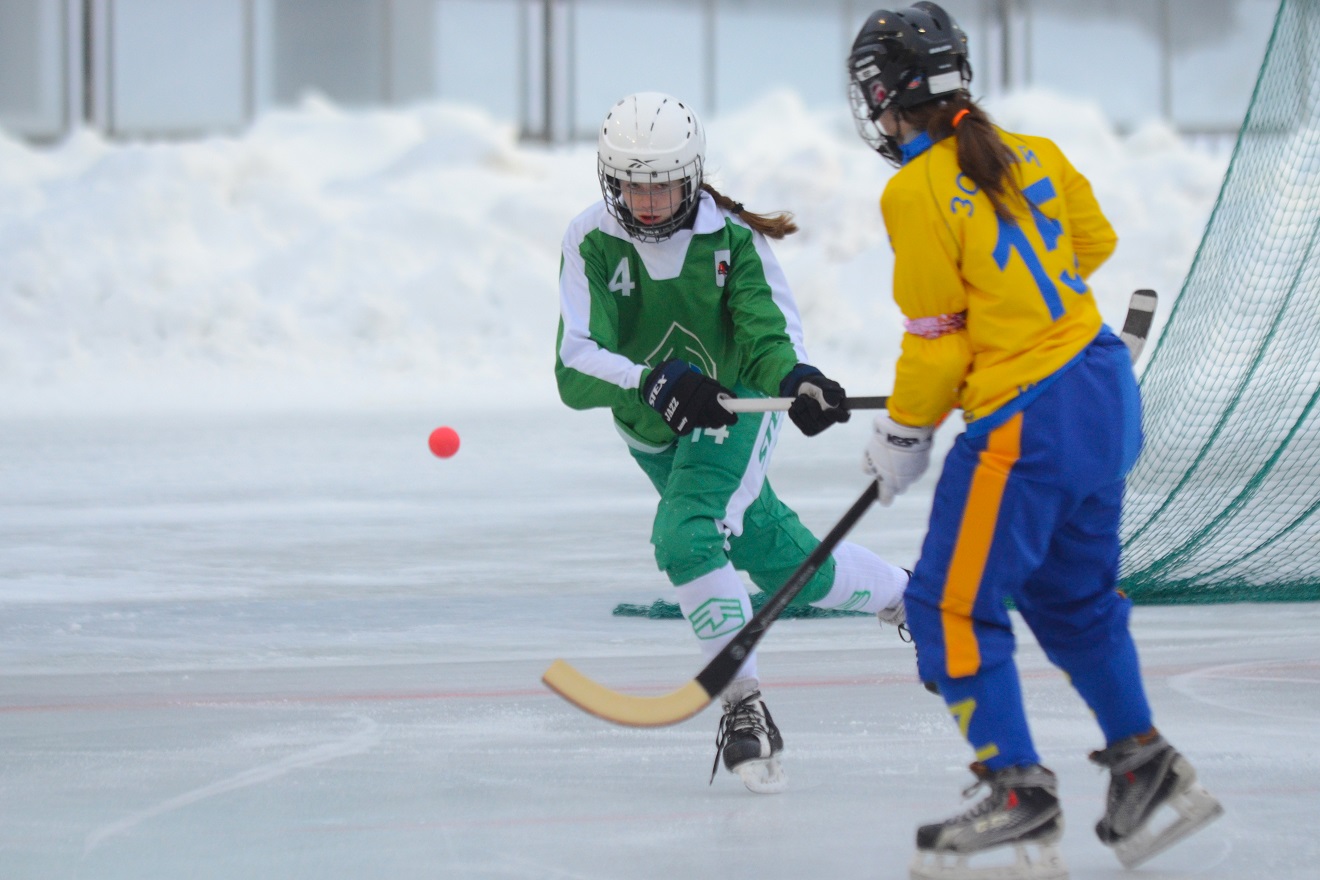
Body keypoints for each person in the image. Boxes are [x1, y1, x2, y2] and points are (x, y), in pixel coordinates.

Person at [845, 4, 1223, 878]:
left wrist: (904, 433)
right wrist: (1032, 312)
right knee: (1072, 601)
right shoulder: (1033, 151)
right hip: (1101, 391)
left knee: (946, 604)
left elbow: (937, 337)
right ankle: (1146, 766)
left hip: (1028, 424)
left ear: (884, 95)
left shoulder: (914, 189)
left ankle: (1017, 793)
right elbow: (1091, 244)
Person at [555, 91, 910, 794]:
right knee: (778, 561)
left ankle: (743, 707)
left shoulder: (732, 241)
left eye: (663, 186)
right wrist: (650, 380)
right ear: (609, 178)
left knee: (687, 537)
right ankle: (913, 598)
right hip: (653, 430)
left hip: (733, 408)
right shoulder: (589, 239)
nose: (648, 202)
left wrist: (797, 380)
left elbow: (768, 335)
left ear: (693, 176)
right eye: (631, 185)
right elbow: (573, 365)